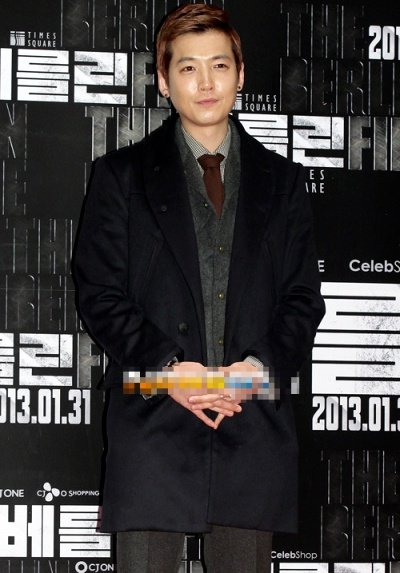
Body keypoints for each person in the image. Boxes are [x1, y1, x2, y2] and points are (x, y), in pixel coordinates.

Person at [72, 3, 325, 572]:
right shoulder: (120, 177)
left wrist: (255, 371)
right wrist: (168, 369)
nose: (206, 83)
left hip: (250, 418)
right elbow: (99, 293)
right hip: (151, 415)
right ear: (164, 81)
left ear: (241, 73)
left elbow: (302, 299)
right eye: (188, 67)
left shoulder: (283, 183)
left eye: (219, 65)